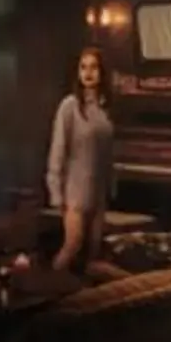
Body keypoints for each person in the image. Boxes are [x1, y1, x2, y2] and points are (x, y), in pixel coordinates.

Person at [46, 46, 116, 274]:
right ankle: (51, 285)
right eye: (83, 67)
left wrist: (111, 188)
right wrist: (56, 194)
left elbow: (108, 154)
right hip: (75, 192)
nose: (88, 73)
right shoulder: (70, 106)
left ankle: (86, 294)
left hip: (98, 193)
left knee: (93, 251)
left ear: (102, 72)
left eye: (94, 67)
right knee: (73, 245)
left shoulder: (106, 109)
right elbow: (58, 150)